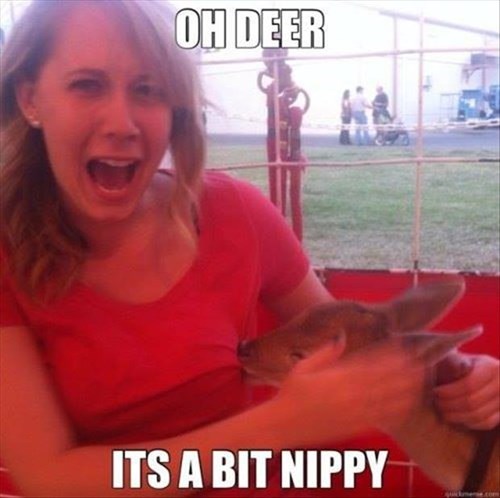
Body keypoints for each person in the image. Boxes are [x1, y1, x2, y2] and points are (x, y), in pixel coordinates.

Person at [0, 2, 498, 497]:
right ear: (29, 98)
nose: (121, 123)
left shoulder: (234, 212)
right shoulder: (8, 256)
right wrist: (278, 426)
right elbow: (48, 477)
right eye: (87, 84)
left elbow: (356, 346)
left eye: (148, 90)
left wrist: (466, 377)